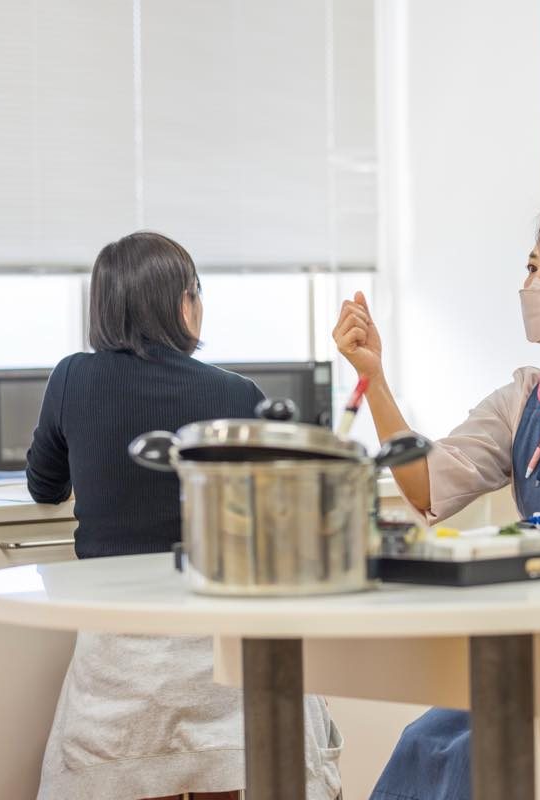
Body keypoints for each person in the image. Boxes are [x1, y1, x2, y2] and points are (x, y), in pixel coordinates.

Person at [333, 201, 540, 800]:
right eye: (533, 265)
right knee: (428, 742)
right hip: (533, 640)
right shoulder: (523, 399)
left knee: (480, 755)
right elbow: (429, 486)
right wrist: (375, 379)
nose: (533, 283)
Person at [28, 231, 342, 800]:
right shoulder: (237, 393)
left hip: (120, 652)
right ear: (184, 302)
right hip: (217, 643)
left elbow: (44, 485)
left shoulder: (73, 377)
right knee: (228, 773)